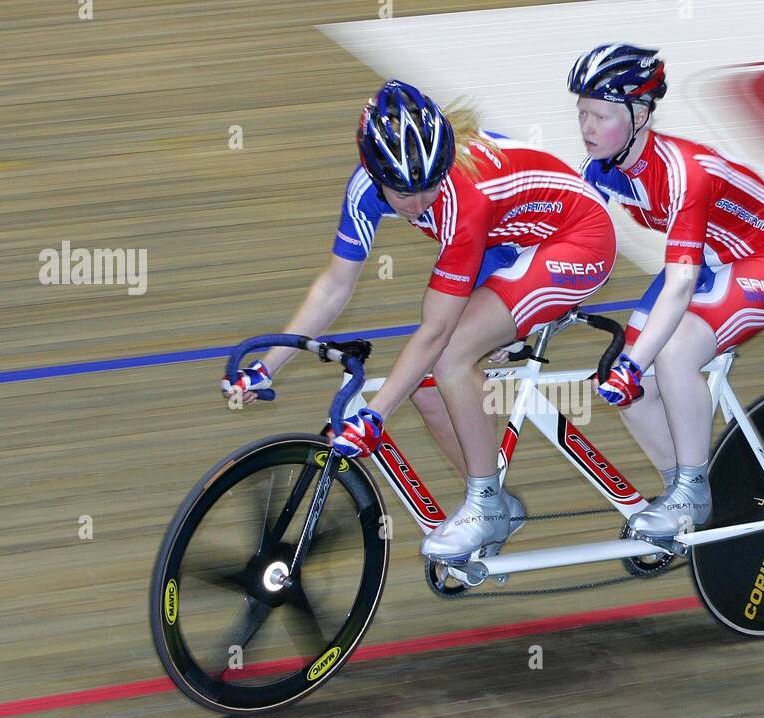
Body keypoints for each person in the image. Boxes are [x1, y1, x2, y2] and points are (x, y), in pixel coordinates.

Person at [223, 80, 617, 560]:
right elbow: (334, 286)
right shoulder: (365, 190)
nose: (417, 204)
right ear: (372, 171)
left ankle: (485, 504)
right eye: (402, 193)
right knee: (429, 387)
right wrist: (269, 365)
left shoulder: (460, 198)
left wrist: (375, 416)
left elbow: (436, 332)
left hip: (576, 239)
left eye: (428, 187)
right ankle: (493, 500)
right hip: (510, 241)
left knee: (449, 354)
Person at [567, 44, 764, 539]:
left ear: (639, 115)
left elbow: (679, 283)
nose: (588, 127)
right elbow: (562, 244)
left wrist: (641, 361)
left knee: (672, 354)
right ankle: (680, 487)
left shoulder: (684, 172)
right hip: (707, 263)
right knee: (621, 381)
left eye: (602, 114)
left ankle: (693, 493)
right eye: (583, 112)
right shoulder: (602, 170)